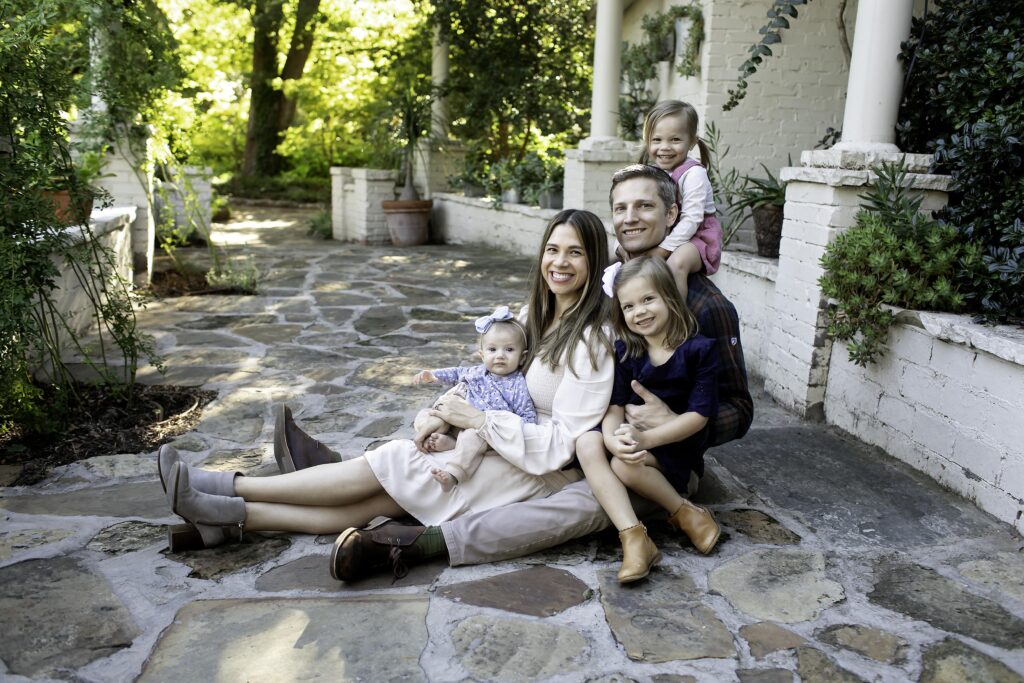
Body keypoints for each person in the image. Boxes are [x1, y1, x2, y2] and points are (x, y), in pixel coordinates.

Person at [298, 163, 752, 580]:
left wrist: (670, 421)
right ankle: (341, 484)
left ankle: (415, 544)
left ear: (673, 213)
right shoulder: (605, 281)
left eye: (645, 206)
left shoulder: (705, 305)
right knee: (507, 460)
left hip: (653, 460)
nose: (631, 217)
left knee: (581, 500)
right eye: (621, 208)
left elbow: (739, 408)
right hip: (587, 442)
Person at [158, 209, 616, 583]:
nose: (561, 262)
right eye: (553, 249)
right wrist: (440, 413)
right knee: (379, 503)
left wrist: (476, 421)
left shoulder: (593, 343)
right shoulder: (530, 318)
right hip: (492, 444)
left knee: (394, 461)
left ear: (593, 261)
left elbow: (564, 442)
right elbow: (486, 375)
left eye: (575, 252)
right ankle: (228, 517)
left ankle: (227, 489)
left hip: (534, 468)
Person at [577, 256, 719, 584]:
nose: (639, 311)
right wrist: (612, 439)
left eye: (647, 300)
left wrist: (647, 441)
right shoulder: (627, 350)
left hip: (675, 449)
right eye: (628, 306)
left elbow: (699, 416)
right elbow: (614, 408)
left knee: (624, 465)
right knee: (588, 442)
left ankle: (686, 514)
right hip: (636, 442)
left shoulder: (699, 351)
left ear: (669, 296)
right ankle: (635, 538)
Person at [411, 305, 537, 492]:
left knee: (472, 438)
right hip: (453, 418)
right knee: (428, 413)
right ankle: (432, 435)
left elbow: (526, 414)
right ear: (482, 354)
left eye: (509, 350)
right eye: (492, 349)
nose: (500, 355)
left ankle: (452, 475)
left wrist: (516, 432)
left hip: (480, 430)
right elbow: (456, 372)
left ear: (522, 357)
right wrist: (434, 375)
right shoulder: (477, 371)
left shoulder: (517, 384)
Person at [632, 100, 723, 301]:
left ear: (691, 141)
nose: (665, 147)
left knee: (676, 265)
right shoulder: (652, 172)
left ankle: (676, 321)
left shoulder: (694, 174)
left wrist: (663, 250)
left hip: (699, 237)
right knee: (623, 256)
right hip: (670, 233)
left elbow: (692, 219)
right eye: (657, 140)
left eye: (675, 140)